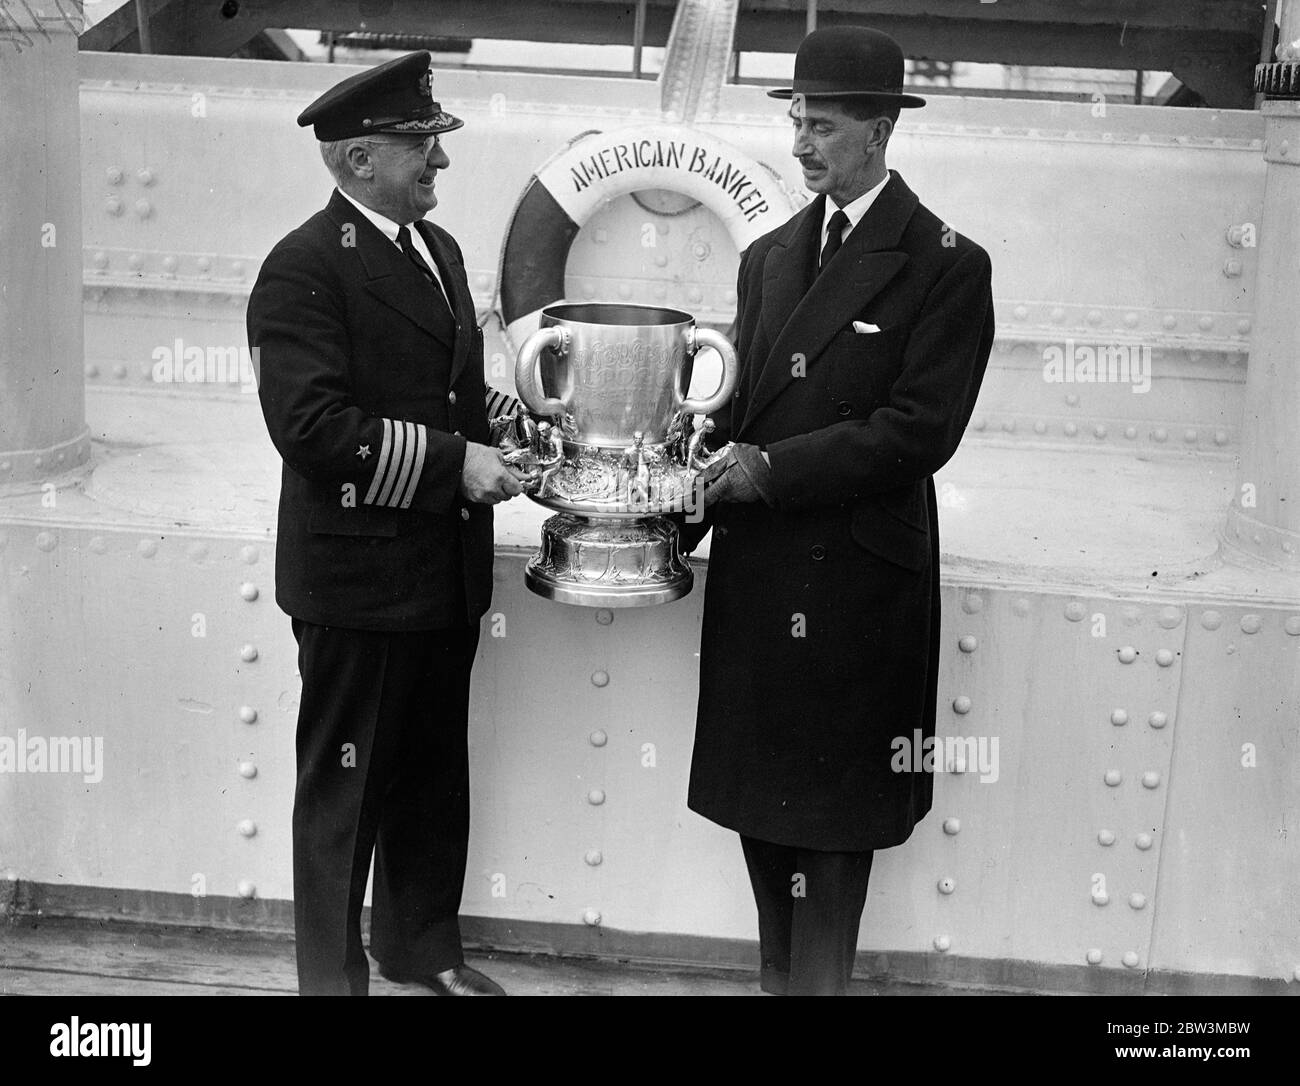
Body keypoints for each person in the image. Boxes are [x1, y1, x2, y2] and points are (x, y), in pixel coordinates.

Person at [684, 26, 995, 995]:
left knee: (830, 820)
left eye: (820, 125)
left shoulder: (946, 264)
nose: (800, 142)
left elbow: (918, 432)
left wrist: (765, 469)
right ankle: (779, 982)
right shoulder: (770, 257)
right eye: (794, 121)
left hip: (855, 585)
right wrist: (683, 483)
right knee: (761, 806)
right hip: (760, 571)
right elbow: (737, 408)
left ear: (879, 131)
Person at [246, 51, 526, 996]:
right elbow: (312, 430)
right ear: (358, 161)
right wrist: (458, 465)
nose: (438, 165)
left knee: (430, 778)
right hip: (356, 583)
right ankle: (334, 983)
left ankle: (422, 950)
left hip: (442, 573)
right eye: (420, 148)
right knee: (345, 795)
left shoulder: (437, 252)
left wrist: (515, 442)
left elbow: (453, 395)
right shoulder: (303, 267)